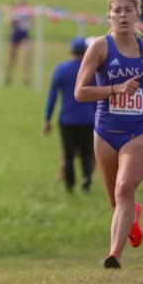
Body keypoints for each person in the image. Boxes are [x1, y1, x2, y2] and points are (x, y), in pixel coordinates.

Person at [75, 0, 143, 269]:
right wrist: (114, 89)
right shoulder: (100, 47)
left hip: (141, 131)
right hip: (105, 132)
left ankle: (114, 256)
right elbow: (80, 92)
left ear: (137, 15)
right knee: (116, 202)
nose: (122, 15)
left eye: (127, 10)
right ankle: (133, 216)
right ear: (109, 16)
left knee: (124, 189)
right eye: (117, 11)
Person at [44, 37, 97, 193]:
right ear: (86, 52)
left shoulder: (61, 69)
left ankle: (70, 185)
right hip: (88, 118)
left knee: (68, 155)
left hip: (66, 119)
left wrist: (47, 118)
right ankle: (86, 179)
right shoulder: (92, 71)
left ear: (70, 51)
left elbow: (52, 96)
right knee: (87, 153)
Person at [5, 0, 32, 86]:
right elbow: (7, 22)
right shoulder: (13, 11)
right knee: (12, 56)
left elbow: (31, 23)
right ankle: (8, 75)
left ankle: (25, 77)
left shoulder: (27, 11)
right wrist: (11, 19)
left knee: (26, 56)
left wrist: (28, 25)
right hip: (15, 34)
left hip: (24, 34)